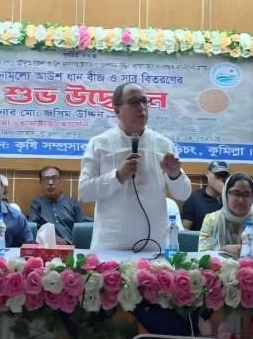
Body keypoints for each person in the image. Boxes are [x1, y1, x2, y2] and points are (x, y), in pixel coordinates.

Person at [78, 83, 191, 251]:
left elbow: (184, 193)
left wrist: (175, 175)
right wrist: (118, 177)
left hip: (153, 245)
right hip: (110, 246)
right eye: (133, 102)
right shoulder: (99, 144)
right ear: (117, 110)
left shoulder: (163, 144)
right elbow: (85, 192)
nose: (141, 107)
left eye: (144, 101)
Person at [198, 172, 253, 256]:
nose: (241, 200)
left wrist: (251, 248)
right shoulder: (211, 220)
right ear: (225, 195)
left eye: (246, 195)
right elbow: (203, 253)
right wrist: (224, 253)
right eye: (236, 193)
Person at [29, 166, 91, 245]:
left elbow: (81, 227)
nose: (50, 182)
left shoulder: (72, 203)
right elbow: (33, 228)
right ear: (41, 182)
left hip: (70, 246)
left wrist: (67, 241)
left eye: (54, 178)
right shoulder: (37, 204)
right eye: (46, 179)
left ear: (60, 181)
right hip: (46, 246)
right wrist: (50, 238)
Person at [182, 160, 229, 232]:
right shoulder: (194, 199)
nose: (220, 179)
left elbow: (237, 222)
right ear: (207, 173)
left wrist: (224, 193)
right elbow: (184, 231)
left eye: (223, 176)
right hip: (201, 238)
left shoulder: (230, 199)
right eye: (217, 175)